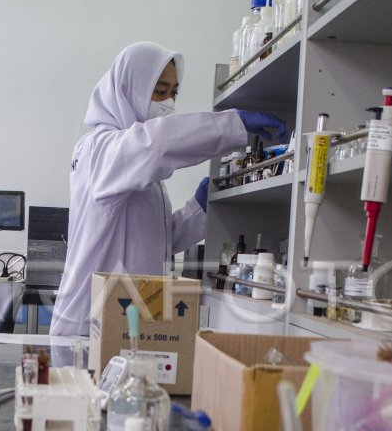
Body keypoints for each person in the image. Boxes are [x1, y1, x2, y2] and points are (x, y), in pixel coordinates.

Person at [50, 41, 285, 336]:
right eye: (159, 91)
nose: (168, 104)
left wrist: (198, 209)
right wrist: (233, 125)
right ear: (126, 89)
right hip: (86, 326)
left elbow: (159, 242)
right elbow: (155, 144)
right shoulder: (98, 149)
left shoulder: (138, 172)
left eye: (173, 93)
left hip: (124, 321)